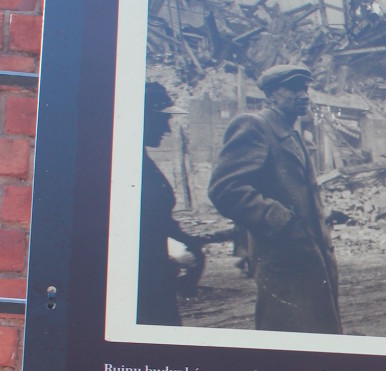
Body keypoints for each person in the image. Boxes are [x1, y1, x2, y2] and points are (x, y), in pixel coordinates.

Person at [208, 64, 341, 334]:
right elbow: (225, 188)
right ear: (271, 96)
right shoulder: (255, 126)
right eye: (294, 88)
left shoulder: (291, 133)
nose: (304, 94)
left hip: (308, 259)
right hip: (284, 261)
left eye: (305, 88)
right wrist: (278, 219)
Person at [138, 81, 204, 326]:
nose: (167, 128)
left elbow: (156, 218)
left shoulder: (142, 160)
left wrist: (188, 241)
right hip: (142, 282)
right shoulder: (122, 164)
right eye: (161, 119)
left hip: (156, 275)